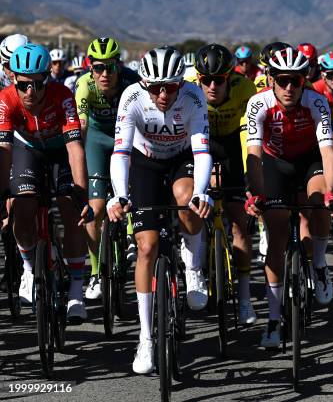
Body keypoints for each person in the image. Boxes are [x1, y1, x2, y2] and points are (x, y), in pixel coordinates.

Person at [107, 46, 213, 373]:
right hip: (144, 163)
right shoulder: (132, 98)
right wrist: (119, 196)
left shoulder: (194, 97)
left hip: (181, 160)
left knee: (187, 200)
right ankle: (146, 338)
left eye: (171, 86)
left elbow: (202, 151)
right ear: (144, 84)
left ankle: (193, 263)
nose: (164, 94)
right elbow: (121, 152)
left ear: (182, 83)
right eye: (155, 87)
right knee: (147, 246)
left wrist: (202, 192)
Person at [243, 47, 333, 347]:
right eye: (282, 80)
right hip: (275, 163)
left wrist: (332, 192)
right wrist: (256, 194)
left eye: (296, 81)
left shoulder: (317, 101)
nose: (289, 88)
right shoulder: (258, 103)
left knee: (319, 202)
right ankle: (274, 320)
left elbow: (328, 150)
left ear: (304, 80)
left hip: (309, 160)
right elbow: (254, 154)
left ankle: (320, 263)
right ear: (271, 79)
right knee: (276, 232)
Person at [0, 44, 92, 322]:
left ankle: (76, 289)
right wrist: (2, 193)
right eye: (24, 85)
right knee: (23, 209)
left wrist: (82, 194)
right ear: (13, 79)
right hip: (26, 150)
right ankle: (29, 268)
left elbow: (75, 148)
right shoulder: (5, 99)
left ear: (47, 80)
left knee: (71, 210)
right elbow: (3, 151)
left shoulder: (63, 96)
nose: (31, 92)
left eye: (38, 85)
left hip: (59, 151)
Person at [194, 43, 258, 324]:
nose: (211, 86)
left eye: (218, 80)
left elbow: (249, 139)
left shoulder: (244, 89)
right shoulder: (188, 89)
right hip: (201, 144)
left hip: (234, 144)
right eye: (205, 80)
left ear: (229, 78)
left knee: (238, 223)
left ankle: (244, 300)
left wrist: (248, 177)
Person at [75, 37, 140, 300]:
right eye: (98, 67)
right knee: (95, 208)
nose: (104, 74)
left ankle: (131, 233)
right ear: (90, 68)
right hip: (98, 140)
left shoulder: (132, 81)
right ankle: (96, 272)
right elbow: (80, 129)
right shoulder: (83, 85)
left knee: (132, 190)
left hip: (128, 137)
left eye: (110, 67)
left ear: (119, 66)